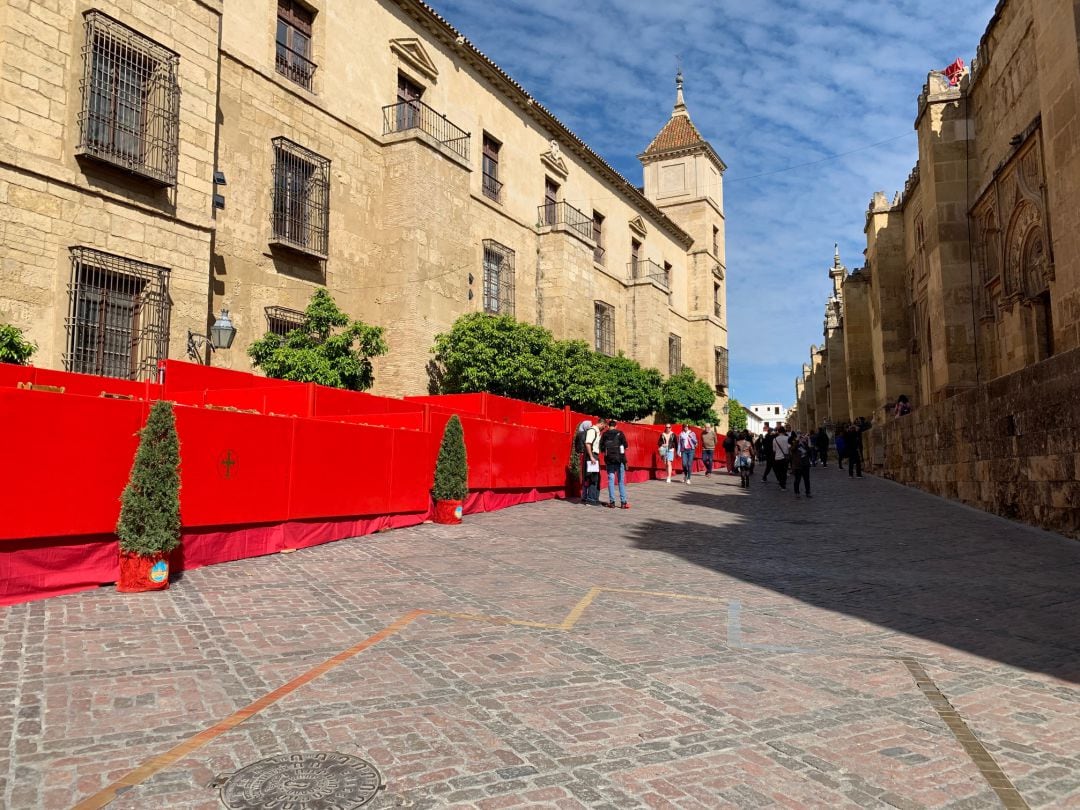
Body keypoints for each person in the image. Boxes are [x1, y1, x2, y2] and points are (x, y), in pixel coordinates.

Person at [601, 418, 630, 508]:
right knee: (621, 481)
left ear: (609, 426)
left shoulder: (605, 434)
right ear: (616, 426)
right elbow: (626, 445)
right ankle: (623, 503)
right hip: (620, 460)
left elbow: (601, 448)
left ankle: (612, 502)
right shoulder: (620, 433)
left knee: (611, 481)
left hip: (609, 461)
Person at [581, 420, 602, 505]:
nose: (604, 428)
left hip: (594, 456)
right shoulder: (592, 431)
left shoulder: (596, 432)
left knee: (596, 478)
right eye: (604, 426)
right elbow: (588, 443)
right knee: (593, 478)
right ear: (602, 424)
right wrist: (591, 456)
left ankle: (594, 498)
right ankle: (591, 499)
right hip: (592, 456)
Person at [790, 432, 813, 498]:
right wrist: (797, 441)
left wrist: (808, 442)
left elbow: (810, 453)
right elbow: (792, 449)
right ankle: (797, 492)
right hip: (798, 465)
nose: (802, 438)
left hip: (805, 464)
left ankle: (808, 492)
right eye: (801, 437)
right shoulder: (795, 445)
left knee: (807, 479)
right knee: (797, 480)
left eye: (803, 437)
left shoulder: (805, 445)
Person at [772, 426, 791, 490]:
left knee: (779, 471)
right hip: (785, 457)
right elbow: (789, 447)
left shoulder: (775, 439)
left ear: (778, 432)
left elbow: (774, 450)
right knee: (784, 471)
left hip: (777, 458)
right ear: (784, 431)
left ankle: (781, 482)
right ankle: (783, 484)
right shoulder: (787, 438)